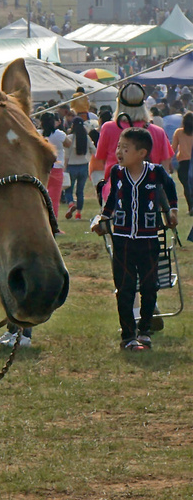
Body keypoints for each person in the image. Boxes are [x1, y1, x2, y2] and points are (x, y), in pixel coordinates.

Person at [93, 126, 177, 352]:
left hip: (149, 239)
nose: (119, 152)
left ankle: (145, 331)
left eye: (125, 148)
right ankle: (128, 335)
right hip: (122, 240)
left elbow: (170, 188)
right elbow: (111, 200)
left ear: (141, 153)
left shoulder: (155, 172)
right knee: (125, 288)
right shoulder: (116, 173)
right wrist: (103, 217)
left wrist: (173, 211)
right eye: (118, 147)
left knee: (149, 287)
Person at [63, 115, 94, 220]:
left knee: (68, 190)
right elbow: (94, 150)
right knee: (80, 191)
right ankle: (78, 214)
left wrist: (64, 168)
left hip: (71, 166)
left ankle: (71, 204)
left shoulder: (70, 138)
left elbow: (66, 155)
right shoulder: (86, 137)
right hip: (84, 166)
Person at [38, 112, 66, 229]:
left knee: (41, 198)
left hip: (42, 168)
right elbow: (68, 144)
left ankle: (42, 223)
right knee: (54, 198)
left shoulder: (38, 134)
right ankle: (53, 225)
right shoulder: (59, 134)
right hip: (57, 168)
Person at [172, 111, 193, 215]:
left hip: (183, 162)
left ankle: (191, 207)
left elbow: (173, 149)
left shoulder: (179, 132)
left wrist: (170, 163)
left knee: (186, 186)